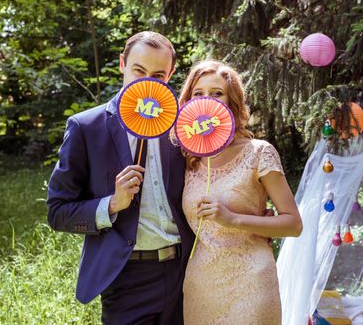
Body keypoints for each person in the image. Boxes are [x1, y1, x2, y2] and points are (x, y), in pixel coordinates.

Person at [47, 31, 194, 325]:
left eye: (158, 75)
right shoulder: (87, 127)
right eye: (138, 71)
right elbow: (57, 212)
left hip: (185, 272)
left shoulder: (183, 125)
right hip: (127, 277)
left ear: (171, 74)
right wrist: (112, 204)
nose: (147, 82)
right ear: (122, 63)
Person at [178, 60, 303, 324]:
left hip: (251, 283)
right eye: (198, 93)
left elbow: (293, 224)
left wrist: (233, 219)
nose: (206, 100)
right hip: (201, 285)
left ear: (232, 101)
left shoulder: (259, 152)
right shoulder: (186, 158)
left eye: (217, 93)